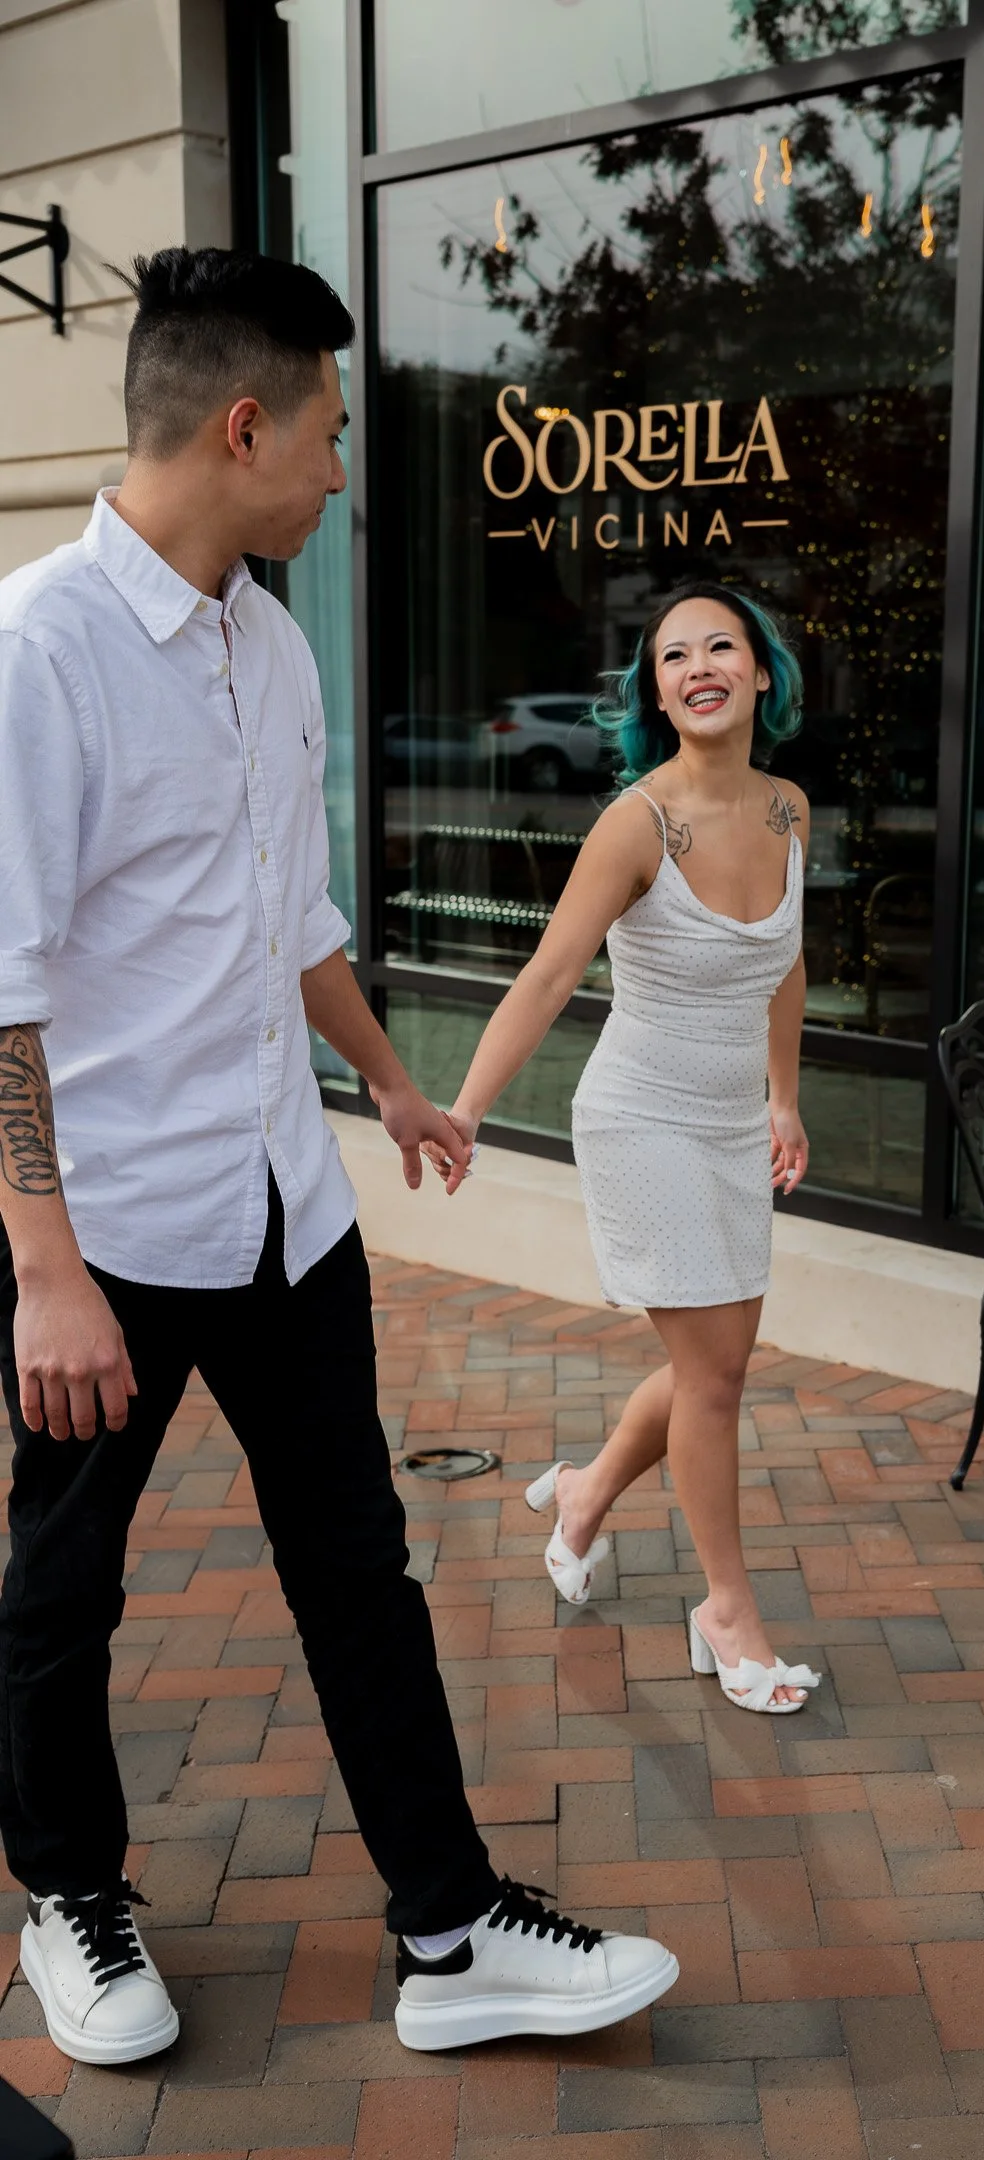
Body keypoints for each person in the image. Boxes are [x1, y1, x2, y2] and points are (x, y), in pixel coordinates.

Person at [0, 246, 676, 2066]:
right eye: (327, 432)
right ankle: (68, 1896)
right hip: (113, 1234)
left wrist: (386, 1080)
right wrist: (44, 1273)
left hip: (284, 1205)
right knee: (63, 1585)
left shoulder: (272, 644)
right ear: (243, 424)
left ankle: (452, 1937)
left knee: (360, 1566)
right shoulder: (34, 651)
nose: (339, 469)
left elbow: (289, 916)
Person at [434, 581, 823, 1716]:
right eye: (673, 656)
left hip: (728, 1122)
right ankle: (729, 1613)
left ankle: (587, 1493)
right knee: (714, 1380)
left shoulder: (790, 809)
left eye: (721, 647)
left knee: (718, 1369)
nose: (699, 666)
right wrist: (465, 1111)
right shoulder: (637, 822)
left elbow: (788, 965)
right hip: (641, 1117)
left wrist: (783, 1100)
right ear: (656, 691)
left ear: (760, 672)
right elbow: (550, 975)